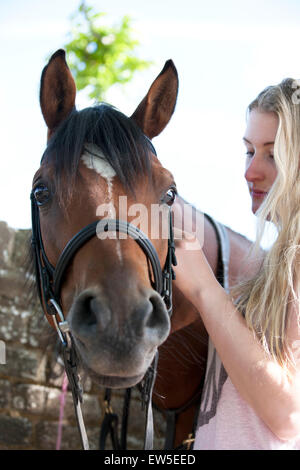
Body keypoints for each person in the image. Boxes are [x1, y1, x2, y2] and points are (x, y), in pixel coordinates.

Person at [174, 78, 300, 450]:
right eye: (249, 151)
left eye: (273, 154)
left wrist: (205, 290)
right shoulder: (275, 263)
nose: (250, 172)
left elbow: (288, 414)